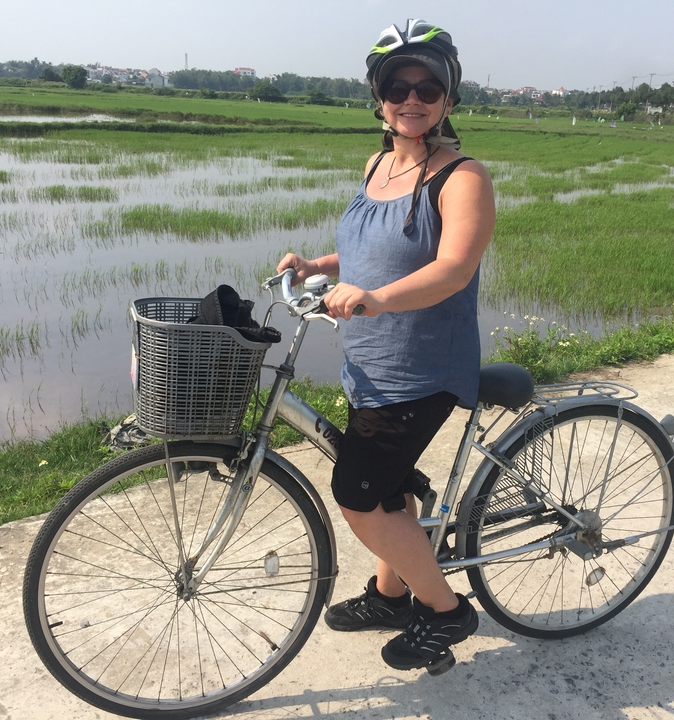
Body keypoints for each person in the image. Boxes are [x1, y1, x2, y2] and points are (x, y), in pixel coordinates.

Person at [277, 19, 495, 672]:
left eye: (428, 86)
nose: (412, 97)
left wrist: (377, 298)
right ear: (378, 98)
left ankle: (447, 612)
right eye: (397, 86)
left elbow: (453, 266)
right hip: (368, 363)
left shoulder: (462, 177)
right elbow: (374, 249)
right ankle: (388, 593)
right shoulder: (378, 163)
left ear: (449, 99)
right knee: (387, 487)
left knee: (358, 493)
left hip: (422, 370)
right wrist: (321, 266)